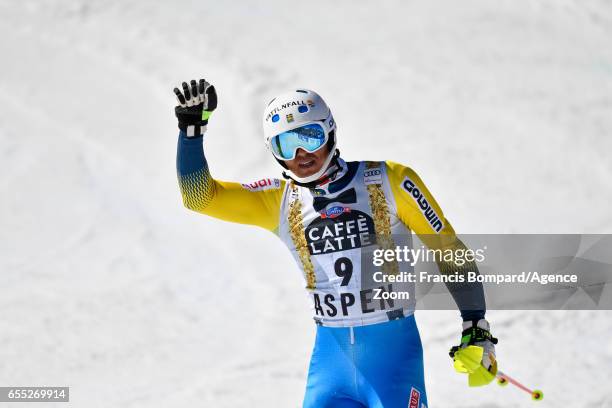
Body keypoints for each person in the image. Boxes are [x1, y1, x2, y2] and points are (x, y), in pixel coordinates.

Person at [173, 79, 499, 408]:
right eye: (286, 145)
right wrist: (191, 132)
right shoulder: (280, 201)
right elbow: (199, 198)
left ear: (329, 132)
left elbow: (448, 250)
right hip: (330, 361)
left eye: (309, 136)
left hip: (393, 358)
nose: (301, 154)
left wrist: (476, 325)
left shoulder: (389, 180)